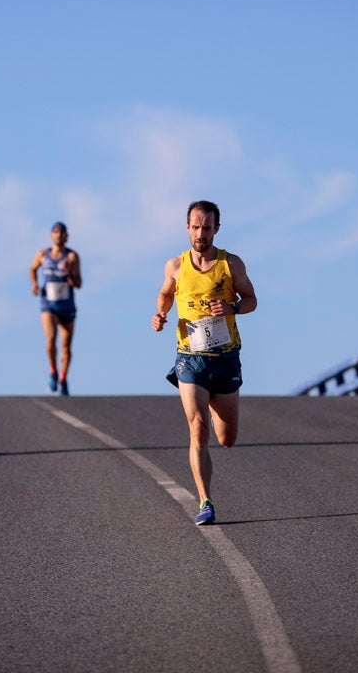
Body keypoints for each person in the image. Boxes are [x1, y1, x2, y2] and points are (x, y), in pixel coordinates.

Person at [152, 200, 257, 525]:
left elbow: (251, 299)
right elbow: (166, 294)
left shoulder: (230, 264)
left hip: (225, 359)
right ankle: (205, 501)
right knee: (198, 428)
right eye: (196, 227)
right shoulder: (175, 266)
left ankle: (214, 402)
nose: (201, 234)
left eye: (207, 228)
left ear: (216, 229)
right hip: (190, 359)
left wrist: (232, 308)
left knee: (226, 439)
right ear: (187, 228)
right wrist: (161, 314)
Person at [30, 221, 82, 396]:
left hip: (66, 306)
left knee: (66, 346)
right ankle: (53, 371)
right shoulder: (42, 255)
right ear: (51, 235)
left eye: (62, 232)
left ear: (67, 236)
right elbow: (32, 269)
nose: (59, 235)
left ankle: (63, 378)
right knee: (51, 338)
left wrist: (69, 274)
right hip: (49, 305)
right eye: (56, 232)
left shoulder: (72, 257)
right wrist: (35, 284)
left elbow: (79, 283)